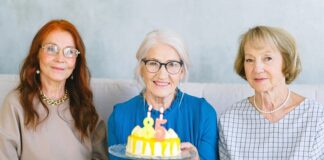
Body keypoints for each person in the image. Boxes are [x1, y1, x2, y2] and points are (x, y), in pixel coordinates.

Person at [0, 19, 107, 160]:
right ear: (37, 54)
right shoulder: (16, 104)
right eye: (51, 49)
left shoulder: (84, 105)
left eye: (69, 52)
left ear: (76, 61)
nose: (60, 58)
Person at [108, 30, 218, 160]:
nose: (162, 75)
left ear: (182, 71)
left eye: (172, 64)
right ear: (141, 68)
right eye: (153, 63)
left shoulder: (203, 113)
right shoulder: (119, 116)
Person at [218, 26, 324, 159]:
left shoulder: (316, 118)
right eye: (249, 60)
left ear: (286, 62)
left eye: (267, 58)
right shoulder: (229, 120)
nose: (257, 68)